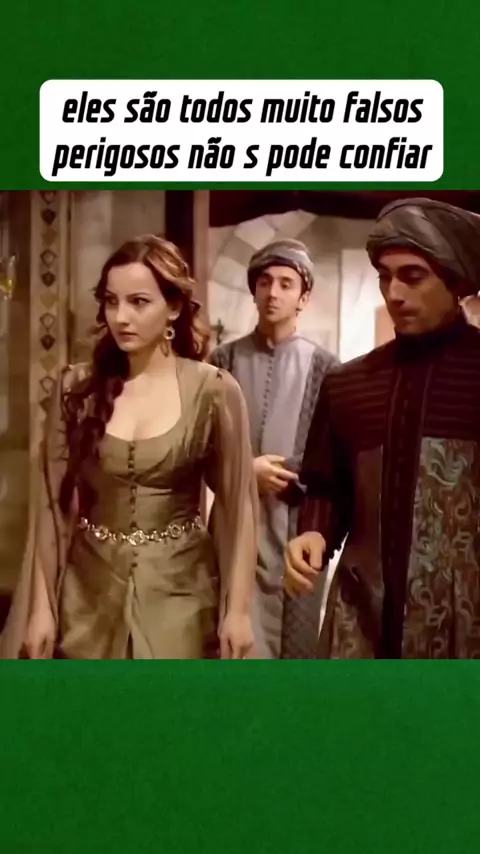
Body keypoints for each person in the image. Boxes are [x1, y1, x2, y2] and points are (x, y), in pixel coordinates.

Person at [0, 234, 258, 660]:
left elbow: (238, 505)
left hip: (183, 595)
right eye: (111, 301)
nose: (121, 317)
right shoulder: (77, 389)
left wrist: (239, 610)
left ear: (173, 307)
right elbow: (51, 504)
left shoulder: (213, 390)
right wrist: (42, 609)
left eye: (139, 302)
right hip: (87, 596)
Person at [285, 197, 480, 659]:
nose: (394, 293)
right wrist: (315, 532)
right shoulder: (348, 383)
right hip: (361, 616)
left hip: (466, 618)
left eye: (413, 276)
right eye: (385, 277)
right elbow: (326, 486)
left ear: (455, 281)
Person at [209, 238, 338, 658]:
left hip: (297, 524)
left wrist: (293, 473)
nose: (273, 292)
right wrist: (246, 470)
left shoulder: (327, 368)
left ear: (303, 297)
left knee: (295, 653)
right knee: (230, 642)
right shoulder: (221, 362)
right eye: (264, 282)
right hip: (235, 520)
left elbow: (333, 454)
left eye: (286, 283)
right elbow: (200, 446)